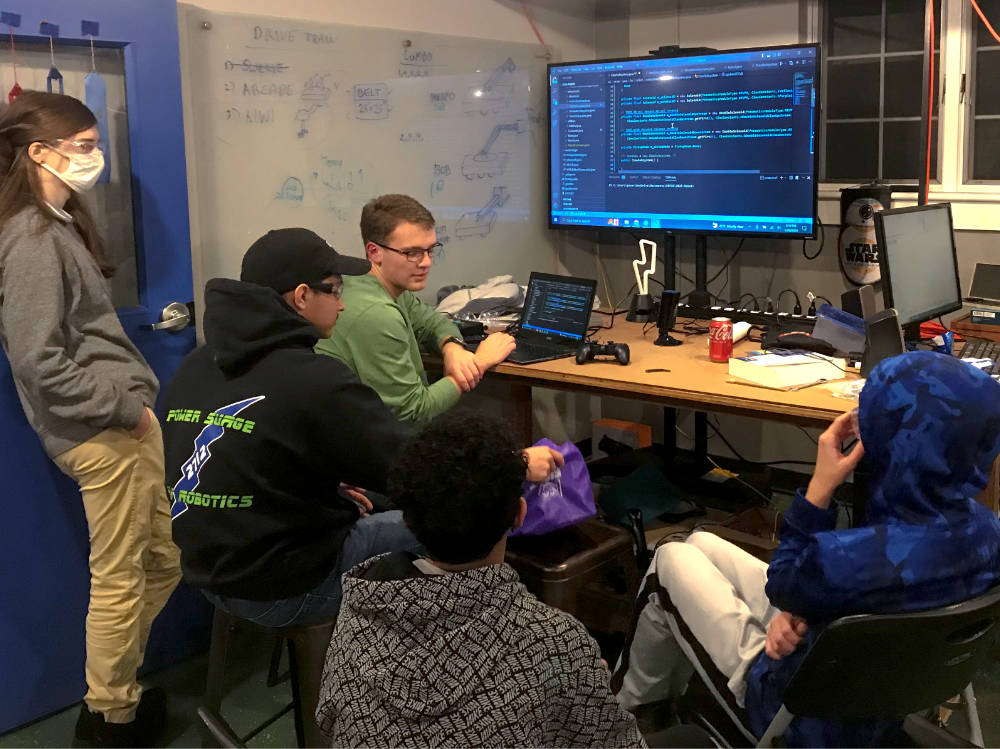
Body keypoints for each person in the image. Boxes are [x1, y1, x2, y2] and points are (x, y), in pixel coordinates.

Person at [161, 228, 561, 630]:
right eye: (335, 291)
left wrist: (324, 485)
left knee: (374, 497)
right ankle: (466, 664)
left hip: (211, 574)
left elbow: (247, 458)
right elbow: (422, 470)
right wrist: (514, 462)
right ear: (301, 297)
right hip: (287, 585)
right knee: (457, 518)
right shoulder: (312, 378)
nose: (343, 306)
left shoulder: (199, 364)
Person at [614, 351, 1000, 747]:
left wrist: (820, 487)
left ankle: (621, 722)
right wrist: (804, 610)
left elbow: (784, 582)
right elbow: (821, 591)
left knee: (669, 557)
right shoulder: (989, 533)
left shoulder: (846, 560)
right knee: (700, 542)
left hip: (792, 716)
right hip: (873, 685)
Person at [0, 91, 181, 746]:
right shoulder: (30, 239)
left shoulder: (58, 221)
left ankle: (111, 692)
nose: (95, 157)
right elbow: (36, 359)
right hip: (102, 432)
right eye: (83, 146)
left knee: (159, 563)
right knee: (122, 577)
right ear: (40, 152)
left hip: (118, 425)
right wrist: (124, 409)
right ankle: (112, 715)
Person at [316, 413, 646, 748]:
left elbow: (329, 717)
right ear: (520, 514)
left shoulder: (357, 611)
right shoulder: (556, 640)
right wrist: (586, 683)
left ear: (407, 519)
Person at [316, 193, 516, 423]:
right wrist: (479, 362)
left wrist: (452, 348)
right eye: (412, 253)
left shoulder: (377, 283)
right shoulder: (376, 313)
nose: (426, 262)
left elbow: (431, 321)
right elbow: (412, 413)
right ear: (374, 252)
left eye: (431, 249)